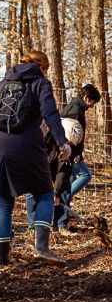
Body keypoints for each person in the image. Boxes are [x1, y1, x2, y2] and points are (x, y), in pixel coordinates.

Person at [0, 50, 71, 267]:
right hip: (28, 143)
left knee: (3, 203)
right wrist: (62, 142)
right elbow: (50, 114)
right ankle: (41, 248)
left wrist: (2, 134)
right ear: (42, 68)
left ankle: (2, 260)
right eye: (46, 70)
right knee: (45, 194)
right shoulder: (41, 83)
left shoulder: (3, 83)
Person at [55, 84, 101, 234]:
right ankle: (62, 208)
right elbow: (70, 133)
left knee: (68, 182)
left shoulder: (72, 107)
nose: (92, 106)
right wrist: (75, 153)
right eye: (93, 102)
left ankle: (61, 216)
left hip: (69, 151)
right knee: (84, 176)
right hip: (69, 153)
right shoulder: (76, 111)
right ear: (87, 98)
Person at [26, 118, 83, 232]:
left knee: (65, 188)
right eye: (68, 142)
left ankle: (60, 225)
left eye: (72, 144)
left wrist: (56, 193)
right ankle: (32, 227)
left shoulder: (73, 142)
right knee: (33, 190)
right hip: (39, 163)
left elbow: (64, 171)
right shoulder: (42, 132)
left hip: (56, 165)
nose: (70, 146)